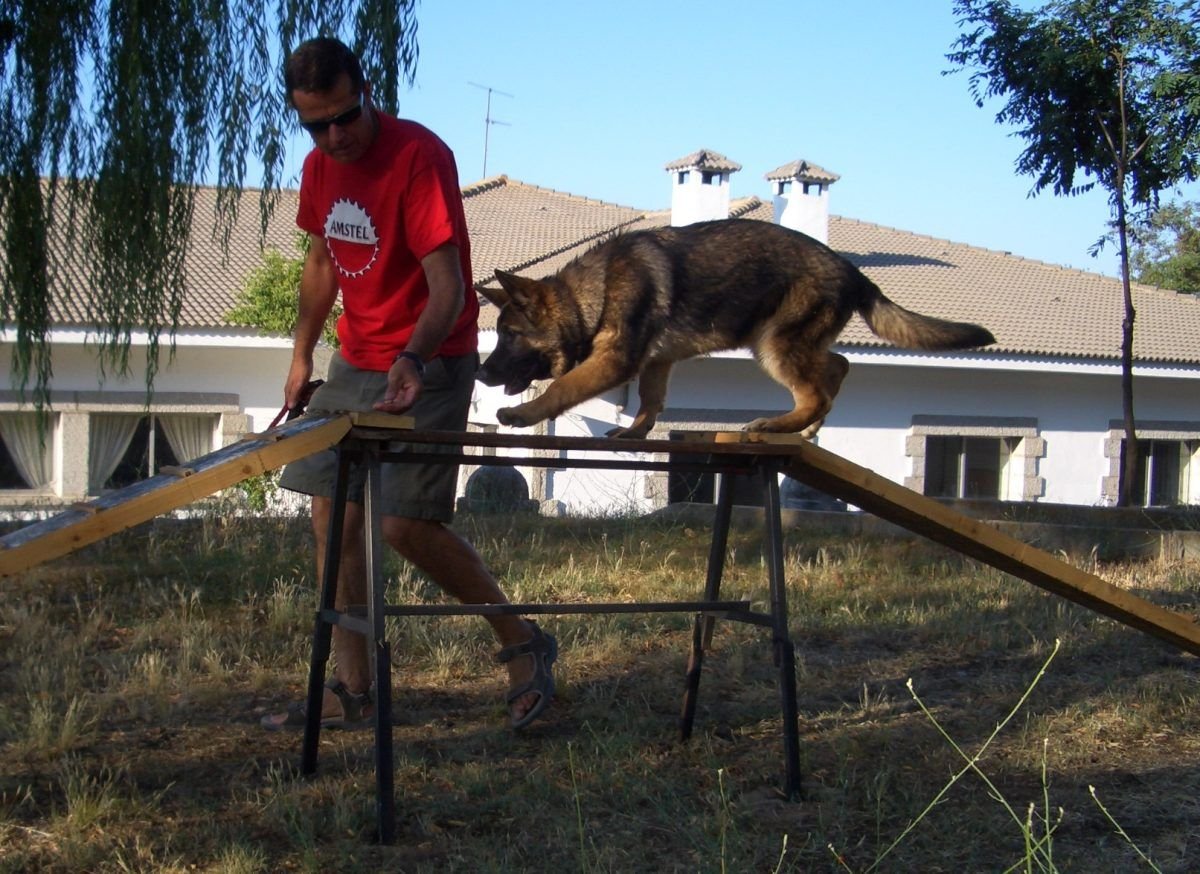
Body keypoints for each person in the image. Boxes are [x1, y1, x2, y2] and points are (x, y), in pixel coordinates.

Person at [262, 37, 556, 732]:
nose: (333, 136)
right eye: (315, 124)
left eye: (343, 116)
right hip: (354, 361)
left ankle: (521, 640)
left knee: (402, 523)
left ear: (366, 92)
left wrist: (416, 361)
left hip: (433, 357)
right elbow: (321, 263)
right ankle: (353, 689)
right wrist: (303, 356)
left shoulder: (419, 156)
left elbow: (448, 287)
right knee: (332, 516)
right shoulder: (318, 168)